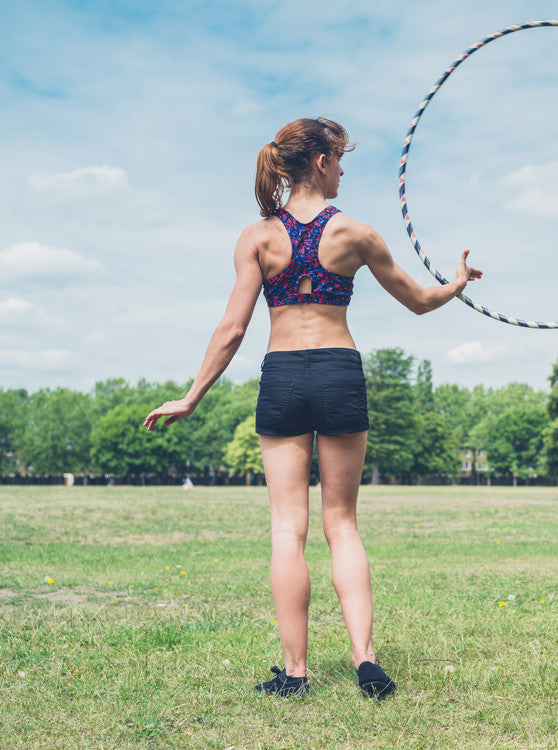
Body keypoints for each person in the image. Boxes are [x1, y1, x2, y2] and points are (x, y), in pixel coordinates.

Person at [143, 117, 481, 698]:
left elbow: (232, 328)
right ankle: (366, 663)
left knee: (286, 528)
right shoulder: (356, 233)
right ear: (321, 161)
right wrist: (456, 283)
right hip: (337, 371)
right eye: (341, 158)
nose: (345, 169)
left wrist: (192, 395)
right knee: (342, 526)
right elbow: (420, 303)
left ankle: (295, 674)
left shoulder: (257, 238)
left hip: (282, 377)